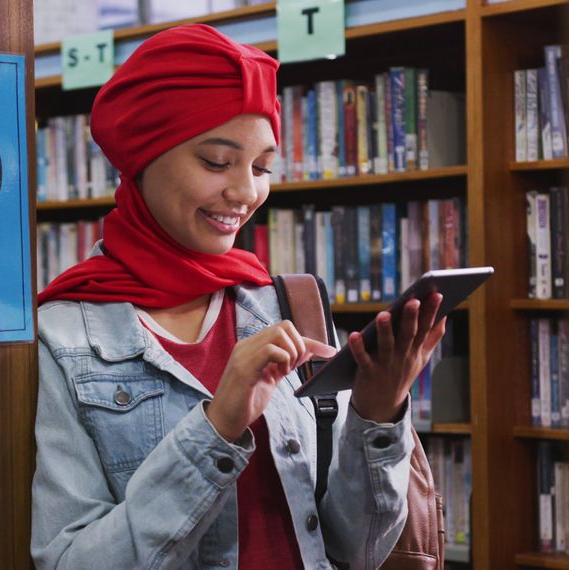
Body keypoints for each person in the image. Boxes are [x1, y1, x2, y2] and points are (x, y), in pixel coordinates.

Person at [30, 23, 446, 570]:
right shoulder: (63, 336)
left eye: (262, 167)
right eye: (217, 162)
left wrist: (379, 410)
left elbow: (359, 550)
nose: (246, 192)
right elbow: (69, 562)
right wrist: (217, 426)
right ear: (143, 157)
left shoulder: (285, 306)